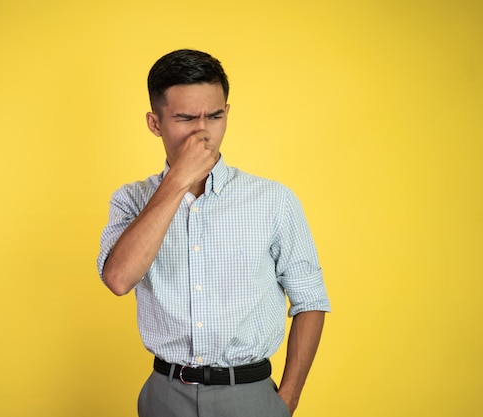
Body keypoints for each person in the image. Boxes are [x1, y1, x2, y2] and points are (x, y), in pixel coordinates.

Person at [97, 49, 330, 417]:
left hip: (250, 396)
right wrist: (178, 180)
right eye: (185, 118)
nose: (202, 131)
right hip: (164, 396)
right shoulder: (131, 199)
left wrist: (286, 401)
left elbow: (311, 299)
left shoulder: (274, 200)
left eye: (215, 116)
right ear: (155, 123)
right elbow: (118, 278)